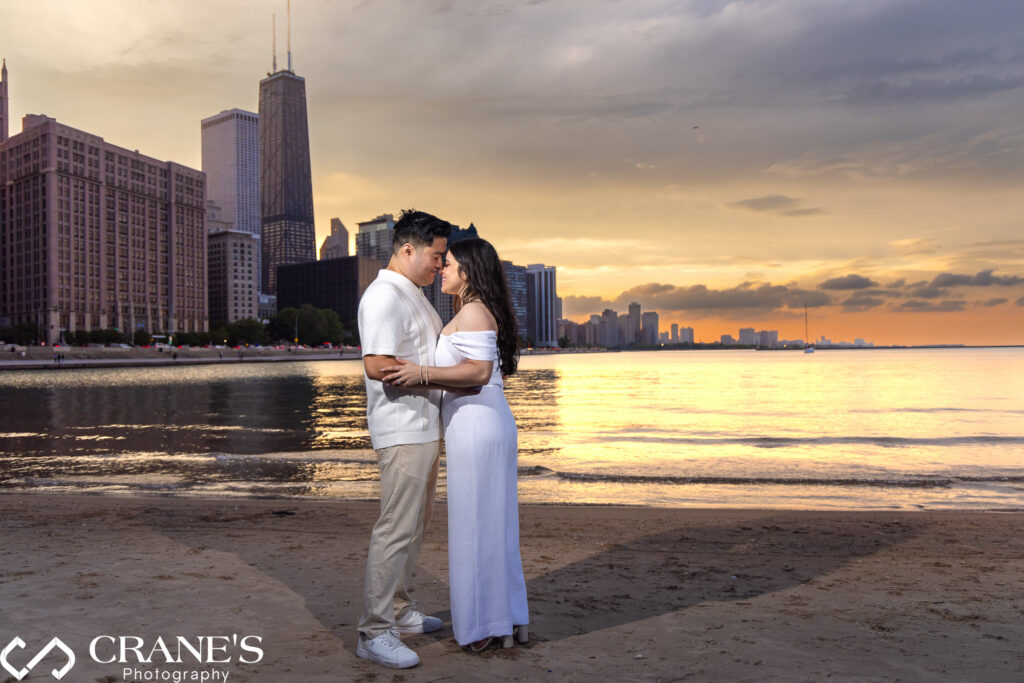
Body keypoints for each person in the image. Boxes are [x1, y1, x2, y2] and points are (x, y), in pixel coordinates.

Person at [381, 237, 529, 652]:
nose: (442, 268)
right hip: (478, 423)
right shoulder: (474, 311)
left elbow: (479, 372)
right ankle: (507, 620)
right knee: (491, 524)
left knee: (476, 525)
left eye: (449, 264)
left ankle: (484, 626)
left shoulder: (476, 312)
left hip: (477, 424)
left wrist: (420, 373)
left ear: (469, 270)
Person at [356, 210, 455, 669]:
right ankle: (374, 631)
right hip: (402, 428)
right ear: (408, 250)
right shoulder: (383, 296)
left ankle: (399, 609)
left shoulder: (412, 293)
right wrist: (434, 379)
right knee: (395, 528)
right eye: (436, 256)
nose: (441, 264)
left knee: (414, 528)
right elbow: (376, 364)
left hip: (424, 427)